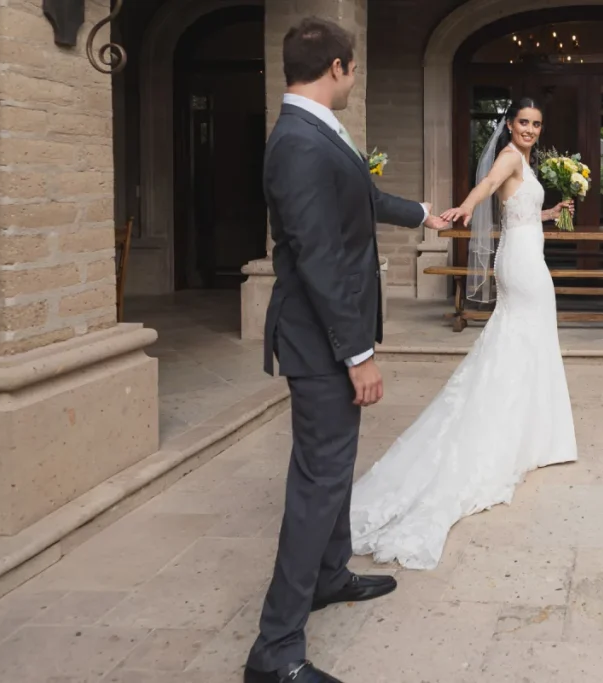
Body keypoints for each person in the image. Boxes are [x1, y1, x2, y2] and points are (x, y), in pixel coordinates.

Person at [246, 17, 449, 683]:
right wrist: (357, 353)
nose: (355, 76)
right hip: (320, 341)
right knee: (318, 479)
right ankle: (276, 651)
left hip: (327, 336)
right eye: (353, 66)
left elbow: (356, 199)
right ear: (337, 67)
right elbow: (318, 258)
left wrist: (422, 213)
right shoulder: (299, 142)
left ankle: (328, 575)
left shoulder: (315, 128)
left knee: (332, 466)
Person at [349, 97, 579, 570]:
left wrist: (551, 212)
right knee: (524, 338)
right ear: (510, 125)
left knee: (523, 342)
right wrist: (467, 207)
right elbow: (490, 184)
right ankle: (522, 435)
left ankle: (532, 434)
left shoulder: (527, 162)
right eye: (523, 123)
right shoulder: (510, 157)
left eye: (536, 123)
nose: (530, 130)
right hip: (523, 266)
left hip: (525, 254)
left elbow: (520, 212)